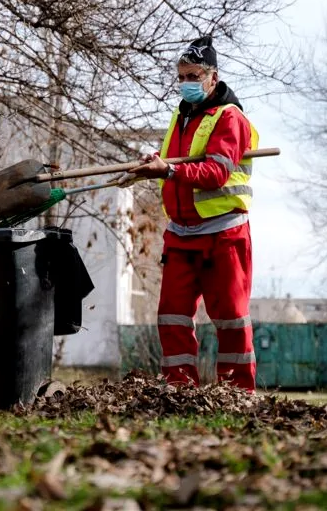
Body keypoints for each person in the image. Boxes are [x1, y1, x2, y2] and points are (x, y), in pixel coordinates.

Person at [130, 37, 259, 390]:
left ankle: (237, 392)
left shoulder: (230, 118)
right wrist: (155, 164)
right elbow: (172, 162)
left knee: (231, 318)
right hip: (182, 234)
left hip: (224, 235)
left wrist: (167, 171)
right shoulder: (181, 115)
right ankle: (179, 388)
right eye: (181, 76)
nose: (186, 82)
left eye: (193, 75)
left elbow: (215, 173)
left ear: (212, 77)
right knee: (171, 316)